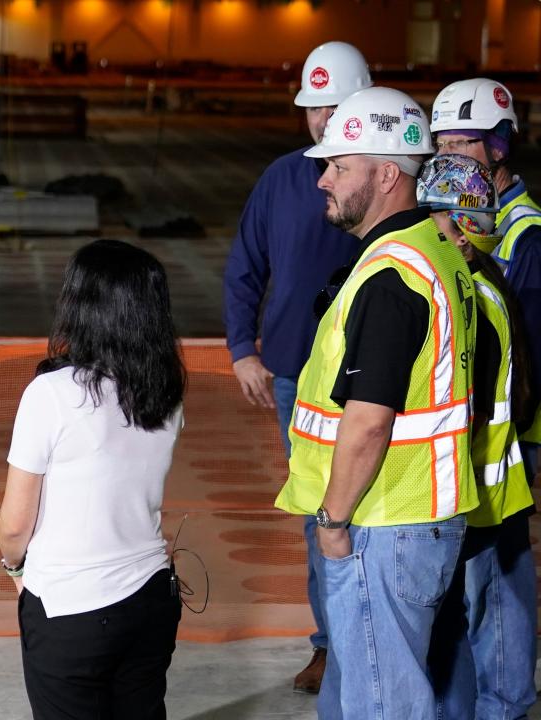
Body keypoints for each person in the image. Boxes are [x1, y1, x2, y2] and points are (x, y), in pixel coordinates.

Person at [274, 86, 478, 719]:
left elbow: (367, 421)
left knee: (382, 704)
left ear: (387, 174)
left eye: (338, 166)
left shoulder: (392, 276)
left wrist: (333, 523)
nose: (322, 181)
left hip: (382, 520)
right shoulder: (436, 250)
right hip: (417, 515)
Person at [223, 40, 370, 692]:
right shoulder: (283, 179)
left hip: (369, 374)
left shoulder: (381, 180)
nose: (322, 117)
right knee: (322, 512)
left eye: (335, 104)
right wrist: (241, 350)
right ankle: (329, 645)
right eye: (314, 107)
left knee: (370, 510)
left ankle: (370, 640)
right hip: (292, 376)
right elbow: (244, 267)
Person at [0, 239, 185, 720]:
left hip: (70, 608)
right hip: (151, 598)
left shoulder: (52, 393)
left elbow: (16, 525)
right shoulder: (165, 393)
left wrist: (16, 570)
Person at [429, 79, 540, 719]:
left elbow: (528, 353)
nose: (449, 154)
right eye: (440, 142)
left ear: (498, 146)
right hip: (485, 445)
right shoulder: (469, 219)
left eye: (463, 142)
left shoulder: (523, 236)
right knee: (477, 585)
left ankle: (504, 705)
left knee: (500, 582)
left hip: (512, 442)